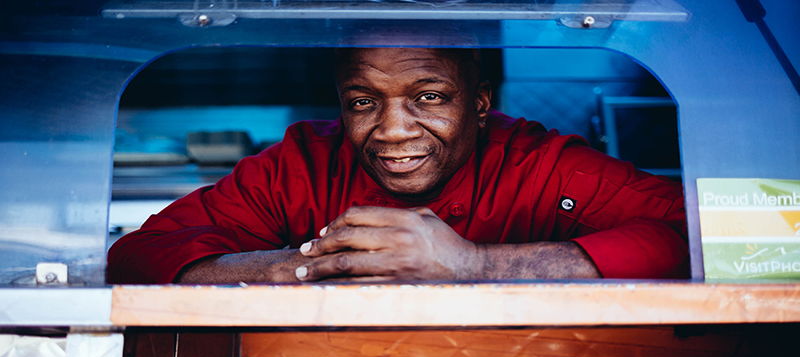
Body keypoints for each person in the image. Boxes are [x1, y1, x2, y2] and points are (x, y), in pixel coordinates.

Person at [107, 47, 688, 284]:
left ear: (480, 101)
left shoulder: (545, 166)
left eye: (429, 96)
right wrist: (310, 266)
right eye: (363, 102)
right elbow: (136, 255)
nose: (391, 130)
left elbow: (709, 238)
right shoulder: (302, 164)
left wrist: (474, 263)